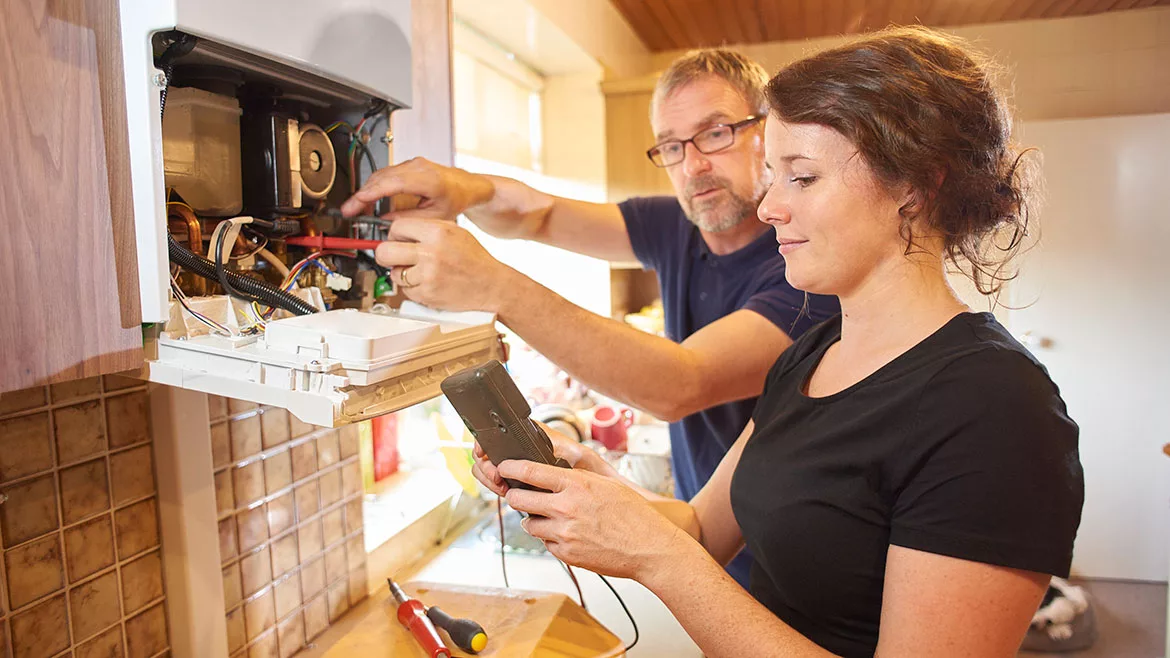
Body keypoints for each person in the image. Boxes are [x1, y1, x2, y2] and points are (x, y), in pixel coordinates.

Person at [471, 26, 1085, 658]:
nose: (768, 208)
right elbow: (703, 528)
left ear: (915, 188)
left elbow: (678, 549)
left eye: (802, 177)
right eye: (773, 176)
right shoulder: (810, 355)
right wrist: (592, 485)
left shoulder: (995, 406)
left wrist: (656, 559)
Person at [342, 50, 839, 587]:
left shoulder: (804, 265)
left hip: (796, 571)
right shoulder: (677, 225)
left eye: (715, 133)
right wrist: (466, 188)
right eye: (672, 146)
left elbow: (679, 382)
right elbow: (540, 213)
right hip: (709, 542)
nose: (693, 166)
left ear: (766, 134)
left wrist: (492, 285)